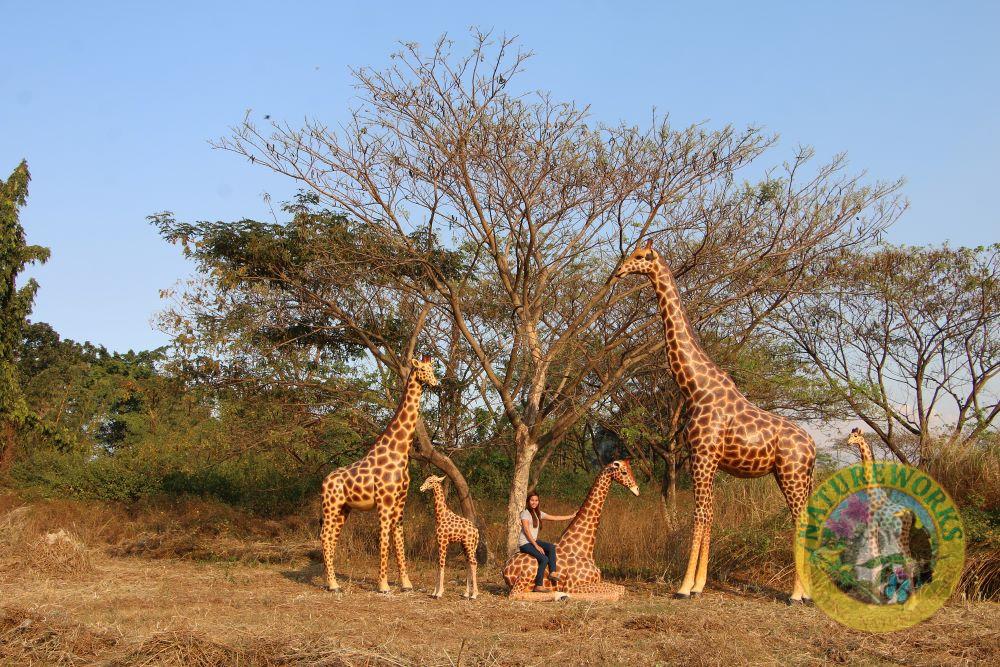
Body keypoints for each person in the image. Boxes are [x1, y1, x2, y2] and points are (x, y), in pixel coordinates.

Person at [519, 491, 576, 592]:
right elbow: (527, 531)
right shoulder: (525, 513)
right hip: (525, 543)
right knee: (544, 559)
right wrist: (536, 545)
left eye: (536, 500)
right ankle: (538, 585)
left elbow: (554, 518)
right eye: (532, 500)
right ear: (528, 501)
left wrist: (571, 516)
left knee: (551, 547)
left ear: (538, 502)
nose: (534, 502)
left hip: (534, 541)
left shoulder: (538, 513)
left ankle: (552, 572)